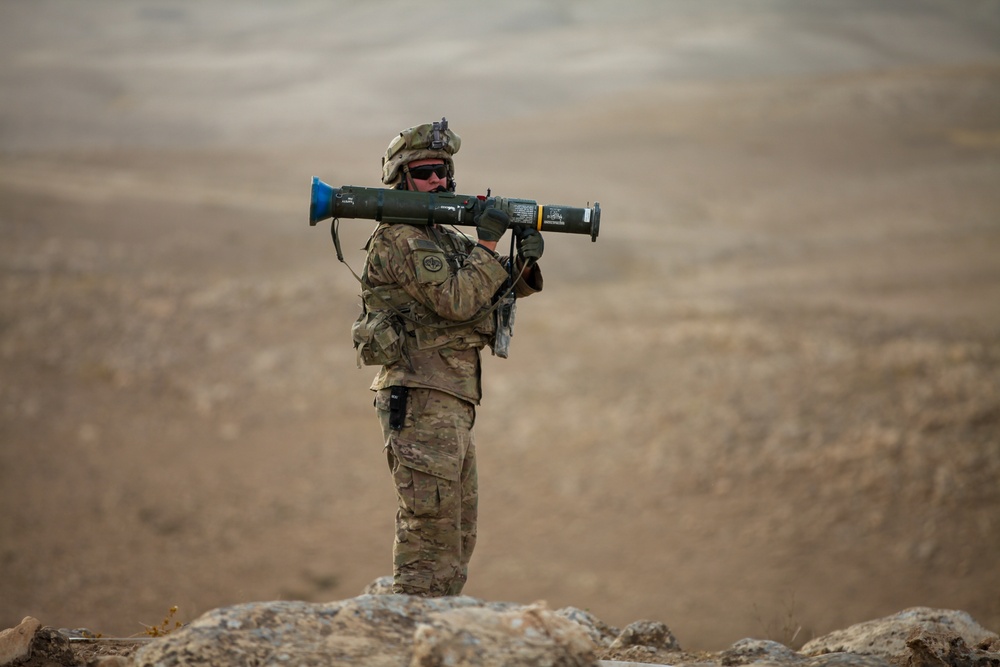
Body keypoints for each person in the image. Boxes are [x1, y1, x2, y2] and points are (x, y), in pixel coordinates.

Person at [355, 118, 544, 596]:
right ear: (401, 178)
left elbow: (491, 289)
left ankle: (439, 631)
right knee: (428, 529)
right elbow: (457, 300)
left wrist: (521, 264)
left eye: (442, 169)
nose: (437, 180)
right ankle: (411, 629)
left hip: (451, 398)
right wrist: (486, 244)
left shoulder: (439, 235)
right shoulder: (400, 238)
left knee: (457, 530)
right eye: (424, 172)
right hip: (419, 397)